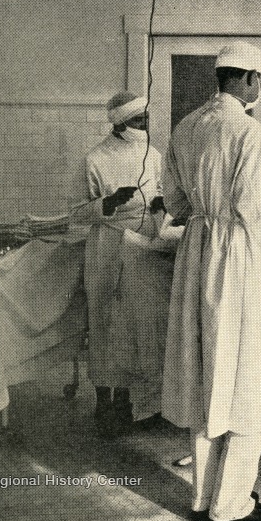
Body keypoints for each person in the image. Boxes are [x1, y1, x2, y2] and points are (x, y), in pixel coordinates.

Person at [161, 41, 261, 521]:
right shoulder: (248, 131)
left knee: (205, 372)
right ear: (251, 80)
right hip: (239, 257)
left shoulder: (188, 125)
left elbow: (172, 201)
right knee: (246, 375)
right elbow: (257, 208)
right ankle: (231, 504)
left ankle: (202, 498)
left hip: (197, 250)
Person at [71, 91, 166, 439]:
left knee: (136, 326)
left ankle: (130, 404)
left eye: (145, 120)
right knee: (105, 325)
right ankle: (104, 403)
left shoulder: (153, 155)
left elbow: (163, 198)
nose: (144, 126)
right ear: (120, 122)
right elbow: (76, 213)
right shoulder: (94, 159)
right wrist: (106, 203)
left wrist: (159, 205)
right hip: (108, 247)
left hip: (143, 246)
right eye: (138, 121)